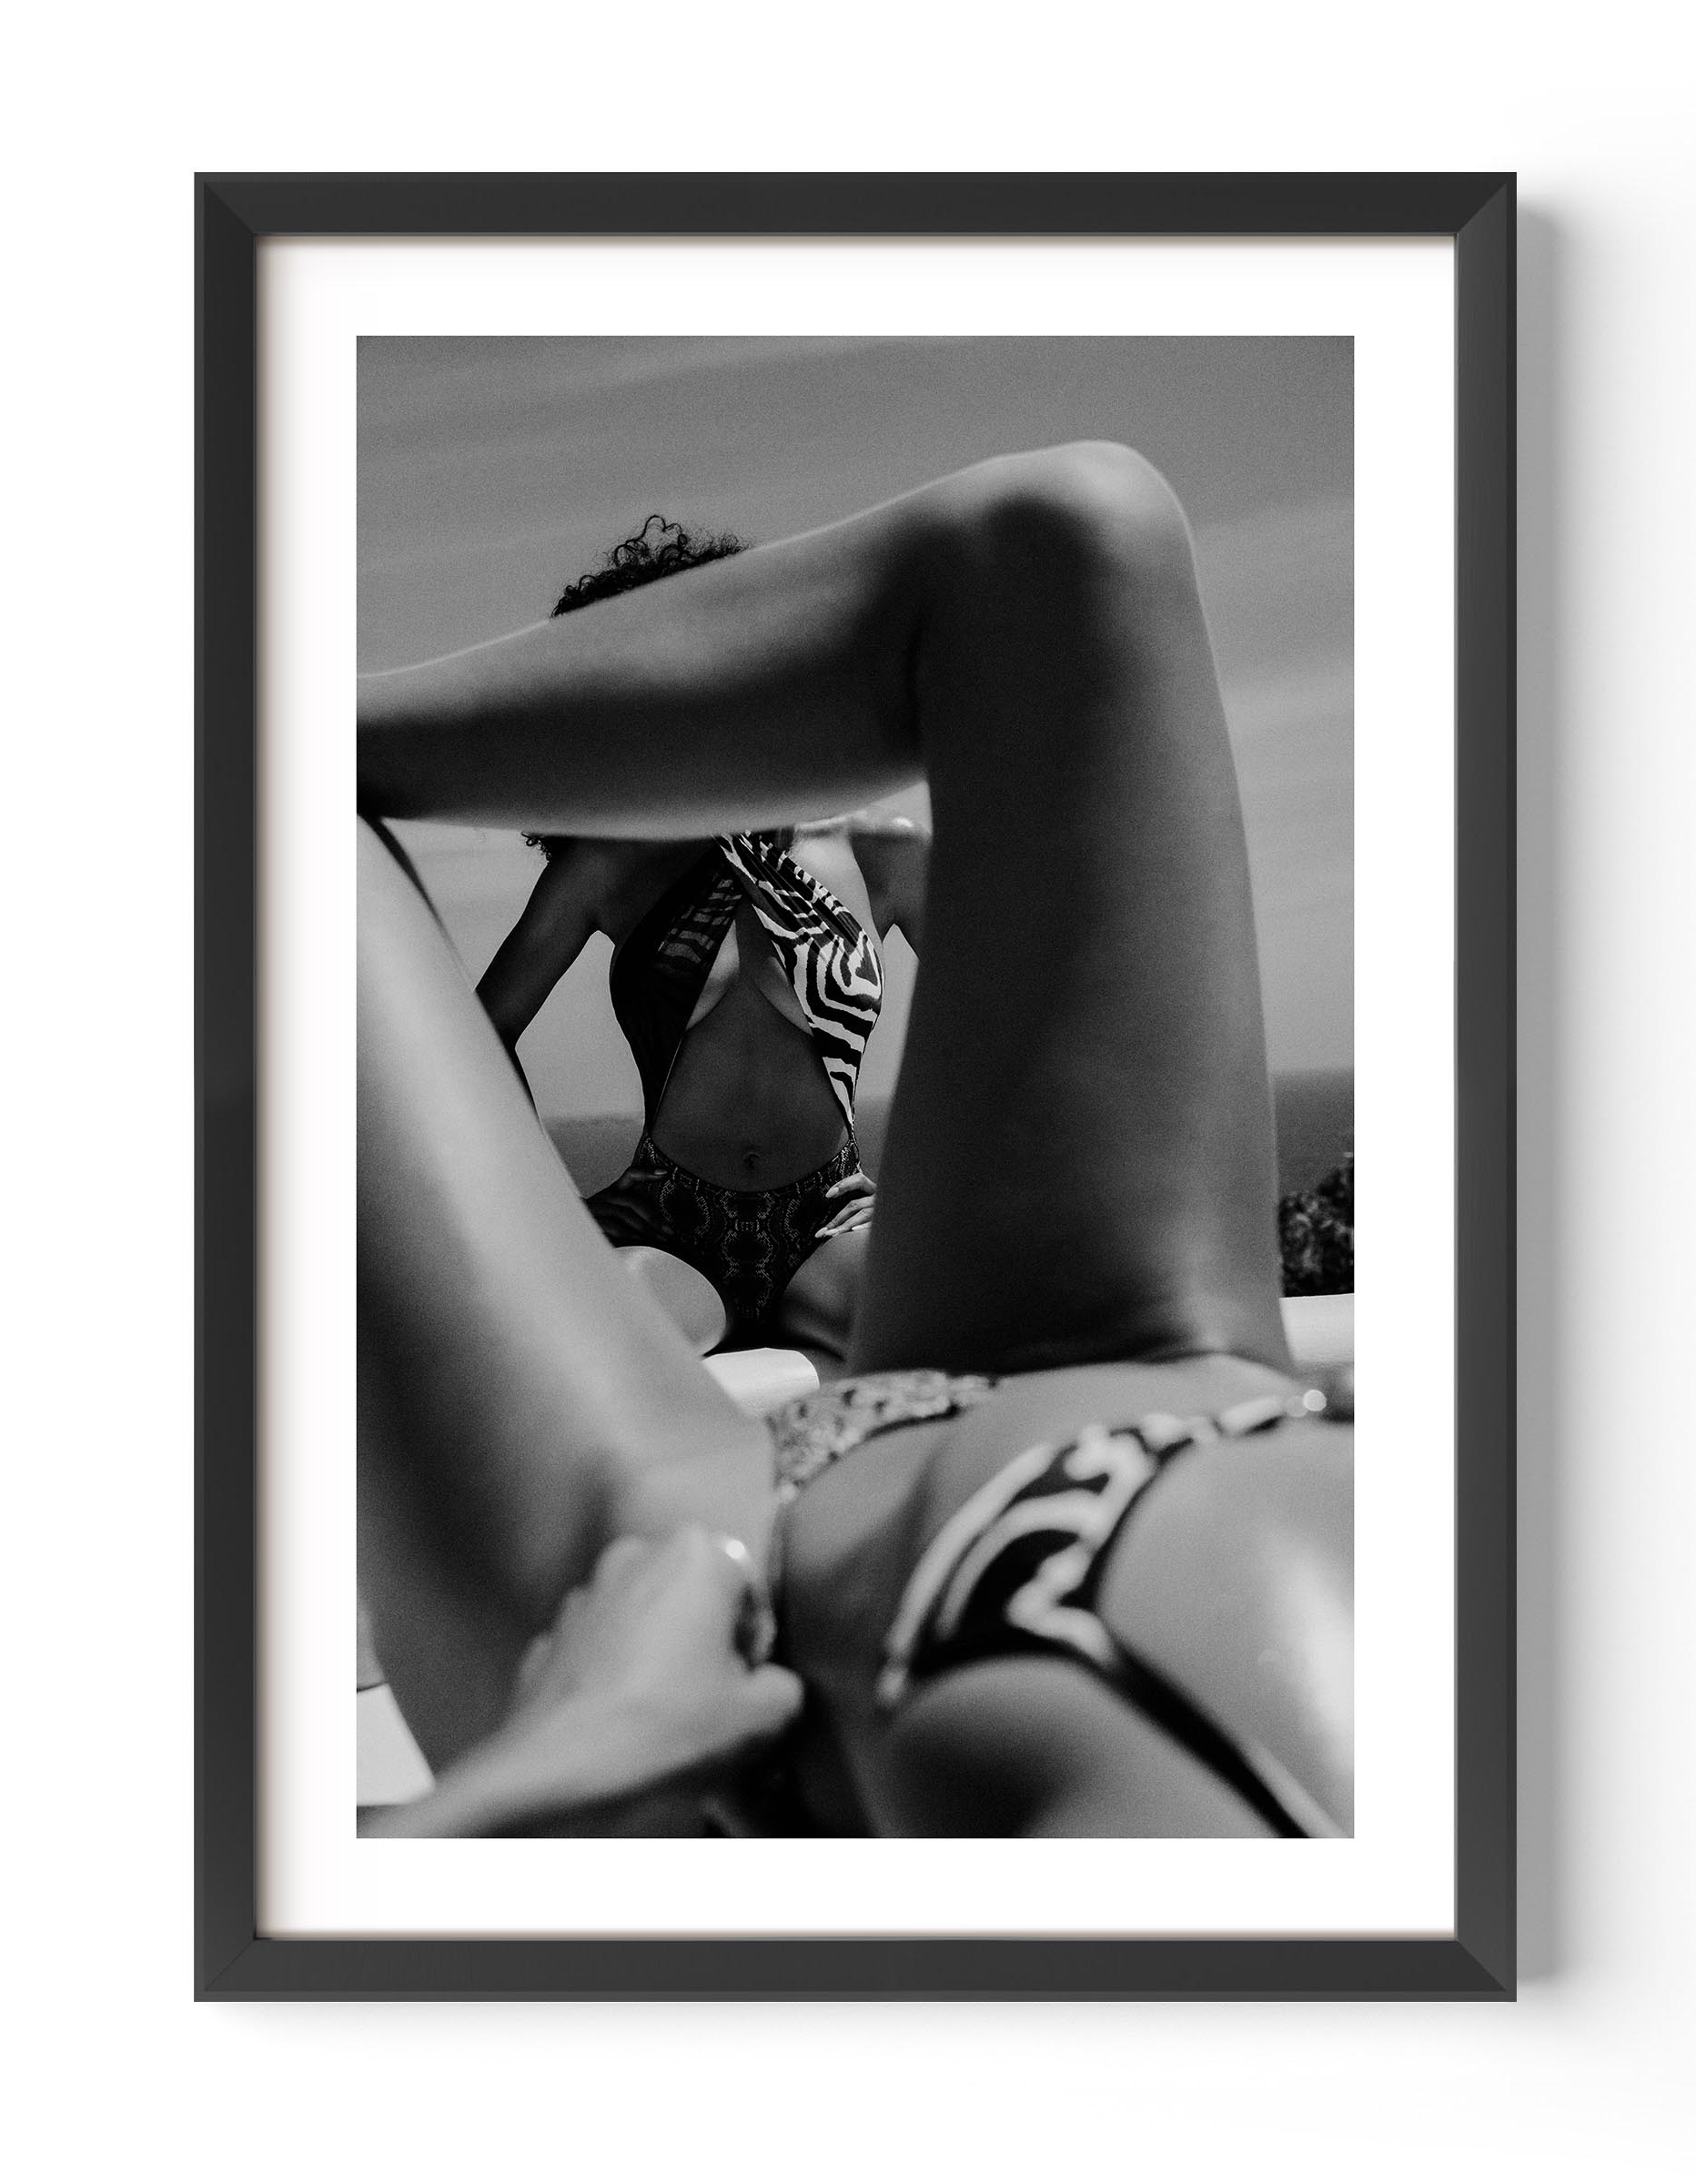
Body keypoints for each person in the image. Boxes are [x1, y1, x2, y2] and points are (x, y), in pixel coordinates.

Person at [357, 442, 1350, 1836]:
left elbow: (1000, 1009)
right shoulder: (610, 869)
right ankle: (285, 729)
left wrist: (575, 1756)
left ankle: (263, 731)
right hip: (1124, 1355)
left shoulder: (870, 857)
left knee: (1066, 542)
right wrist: (509, 1193)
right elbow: (492, 1026)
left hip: (795, 1434)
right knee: (1076, 539)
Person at [472, 518, 926, 1364]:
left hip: (829, 1223)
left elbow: (1008, 1028)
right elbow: (479, 1038)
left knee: (945, 1334)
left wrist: (937, 1187)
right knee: (580, 1361)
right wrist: (532, 1204)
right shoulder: (609, 863)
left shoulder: (879, 851)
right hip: (663, 1228)